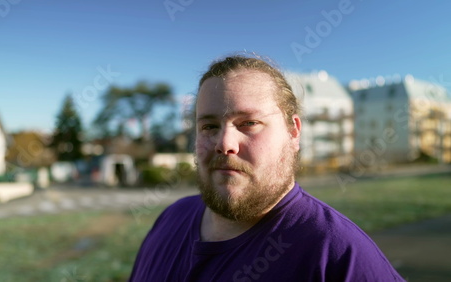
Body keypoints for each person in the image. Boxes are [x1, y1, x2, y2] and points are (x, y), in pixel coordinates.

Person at [129, 55, 405, 281]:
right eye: (209, 126)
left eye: (248, 123)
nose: (225, 144)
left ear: (293, 132)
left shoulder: (337, 253)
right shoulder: (170, 219)